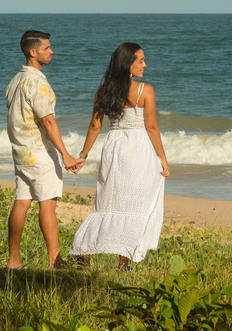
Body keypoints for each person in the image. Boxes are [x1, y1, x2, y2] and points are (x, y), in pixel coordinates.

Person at [68, 43, 170, 268]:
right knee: (137, 204)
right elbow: (151, 127)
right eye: (140, 60)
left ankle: (85, 252)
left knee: (107, 202)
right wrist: (162, 157)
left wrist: (83, 155)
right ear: (127, 64)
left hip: (114, 147)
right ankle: (125, 259)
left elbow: (95, 126)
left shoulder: (103, 91)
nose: (145, 64)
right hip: (139, 150)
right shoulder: (146, 90)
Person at [5, 30, 78, 270]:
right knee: (48, 203)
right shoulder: (36, 82)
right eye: (47, 48)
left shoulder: (15, 80)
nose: (51, 51)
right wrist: (66, 155)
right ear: (33, 52)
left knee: (22, 202)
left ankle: (14, 260)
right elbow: (48, 121)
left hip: (21, 152)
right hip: (40, 152)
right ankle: (54, 261)